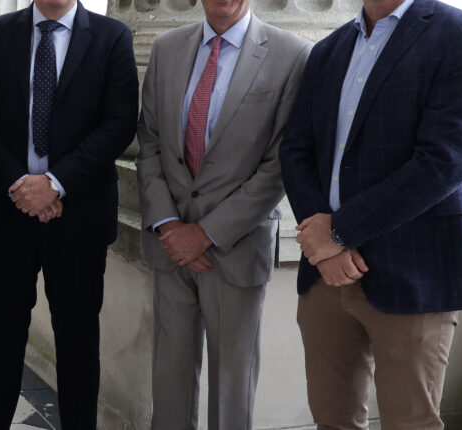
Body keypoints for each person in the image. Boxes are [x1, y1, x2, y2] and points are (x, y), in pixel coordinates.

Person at [278, 0, 462, 428]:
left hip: (414, 269)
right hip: (325, 275)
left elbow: (445, 161)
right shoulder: (328, 49)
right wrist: (324, 245)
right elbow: (295, 150)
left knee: (409, 422)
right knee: (331, 419)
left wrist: (338, 234)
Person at [0, 0, 137, 428]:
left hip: (78, 215)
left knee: (77, 345)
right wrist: (20, 184)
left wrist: (55, 183)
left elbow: (119, 123)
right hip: (7, 211)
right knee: (2, 340)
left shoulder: (113, 37)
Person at [135, 0, 309, 428]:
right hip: (170, 246)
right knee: (169, 381)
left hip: (237, 247)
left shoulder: (293, 54)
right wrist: (171, 225)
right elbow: (150, 142)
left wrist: (207, 232)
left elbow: (281, 164)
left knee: (232, 387)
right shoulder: (166, 47)